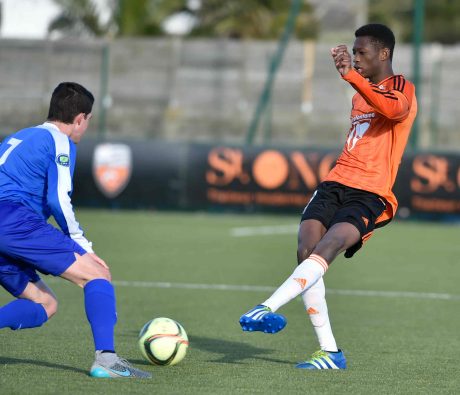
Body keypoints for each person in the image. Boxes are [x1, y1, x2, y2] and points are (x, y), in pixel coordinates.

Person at [239, 23, 417, 369]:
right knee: (306, 249)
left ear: (384, 53)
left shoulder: (401, 88)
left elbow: (393, 111)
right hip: (335, 182)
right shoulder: (359, 94)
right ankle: (331, 352)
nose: (356, 58)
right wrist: (356, 80)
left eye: (362, 52)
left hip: (370, 192)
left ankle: (266, 307)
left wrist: (353, 76)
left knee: (330, 245)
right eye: (353, 52)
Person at [0, 82, 151, 379]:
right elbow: (58, 199)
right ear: (80, 118)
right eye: (88, 120)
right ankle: (106, 360)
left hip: (9, 224)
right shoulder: (59, 141)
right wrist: (84, 247)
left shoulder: (19, 136)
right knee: (97, 273)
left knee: (45, 304)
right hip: (12, 220)